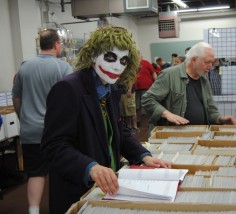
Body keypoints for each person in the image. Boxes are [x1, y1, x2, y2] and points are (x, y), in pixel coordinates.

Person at [40, 25, 170, 214]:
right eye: (110, 57)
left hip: (107, 189)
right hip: (77, 190)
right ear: (93, 55)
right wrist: (90, 167)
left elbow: (119, 130)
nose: (117, 66)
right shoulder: (68, 89)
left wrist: (143, 155)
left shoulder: (111, 88)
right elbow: (53, 145)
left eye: (123, 60)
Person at [11, 29, 73, 214]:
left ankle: (34, 210)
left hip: (30, 131)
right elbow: (70, 100)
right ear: (56, 44)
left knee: (36, 173)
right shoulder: (63, 68)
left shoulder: (24, 67)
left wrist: (24, 117)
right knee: (61, 172)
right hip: (56, 131)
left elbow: (16, 98)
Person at [141, 42, 236, 133]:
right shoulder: (169, 75)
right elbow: (147, 99)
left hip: (200, 135)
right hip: (174, 136)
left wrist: (220, 118)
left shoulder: (204, 79)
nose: (210, 66)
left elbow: (210, 109)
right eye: (207, 62)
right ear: (194, 59)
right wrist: (167, 114)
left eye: (212, 63)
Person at [134, 52, 157, 128]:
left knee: (146, 105)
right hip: (136, 88)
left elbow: (154, 73)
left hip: (146, 86)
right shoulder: (133, 64)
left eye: (137, 55)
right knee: (137, 106)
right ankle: (138, 121)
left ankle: (149, 122)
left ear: (140, 55)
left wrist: (156, 84)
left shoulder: (146, 63)